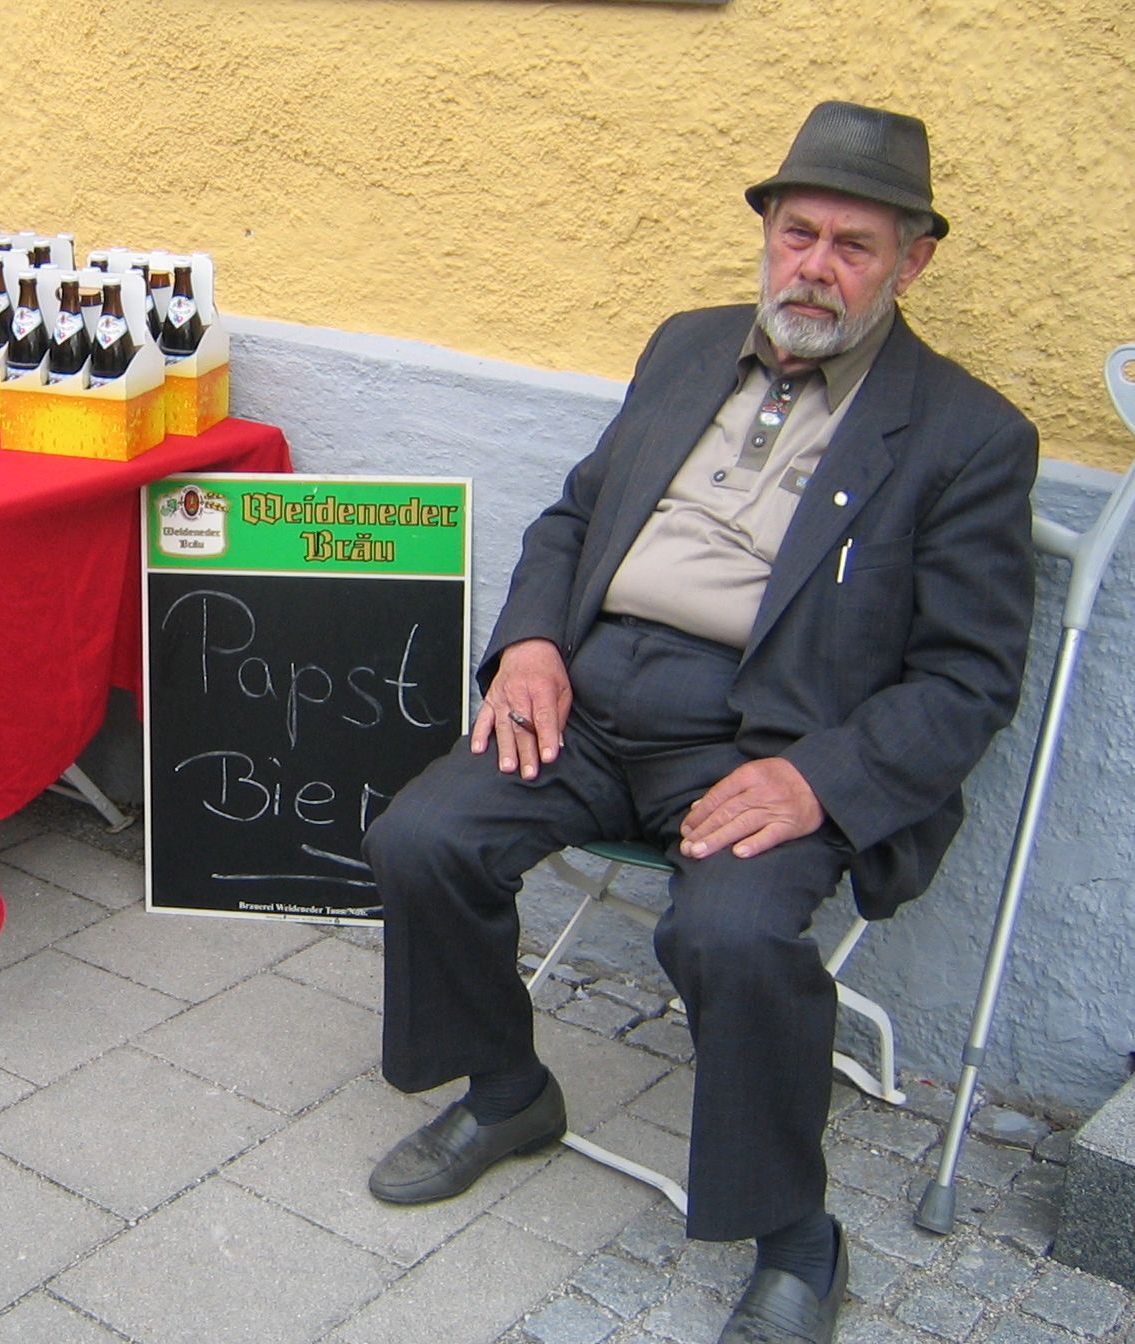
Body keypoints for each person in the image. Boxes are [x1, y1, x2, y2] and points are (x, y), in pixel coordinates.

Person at [363, 101, 1037, 1344]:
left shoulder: (965, 436)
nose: (814, 268)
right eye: (796, 234)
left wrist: (818, 785)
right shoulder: (684, 348)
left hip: (766, 741)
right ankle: (509, 1092)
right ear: (766, 235)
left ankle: (794, 1233)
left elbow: (966, 676)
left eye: (851, 246)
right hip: (595, 692)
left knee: (728, 935)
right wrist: (527, 644)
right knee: (424, 838)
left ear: (910, 261)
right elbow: (571, 520)